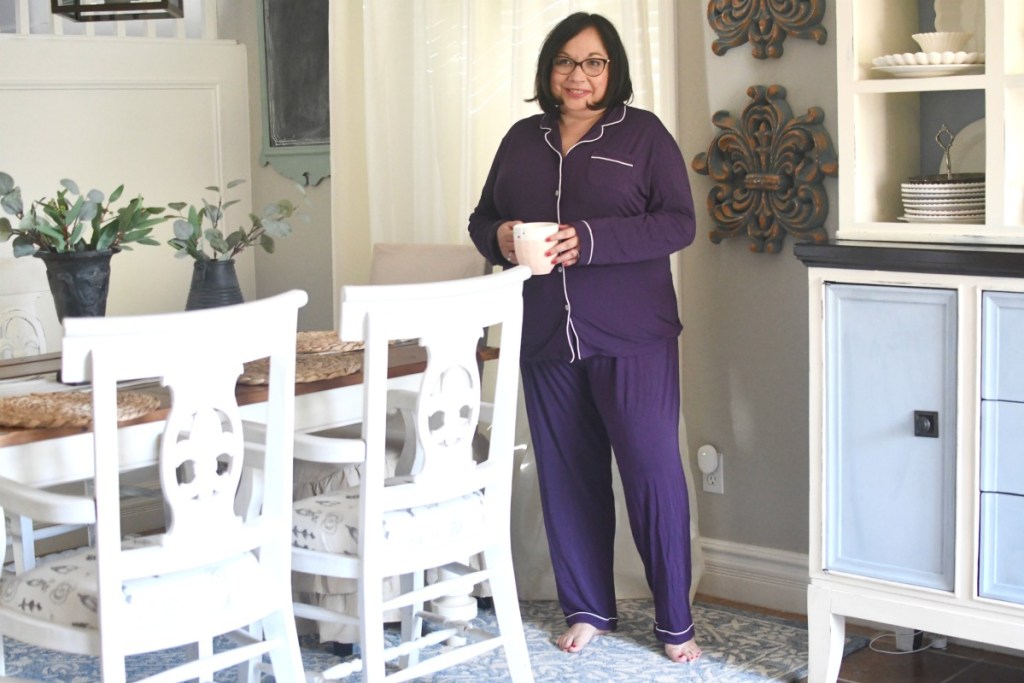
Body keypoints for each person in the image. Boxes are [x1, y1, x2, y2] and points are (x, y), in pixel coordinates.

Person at [467, 12, 701, 664]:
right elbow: (481, 219)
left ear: (612, 70)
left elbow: (679, 223)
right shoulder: (521, 139)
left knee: (652, 474)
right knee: (568, 476)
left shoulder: (644, 135)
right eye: (567, 62)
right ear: (549, 70)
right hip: (544, 334)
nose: (578, 75)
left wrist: (590, 240)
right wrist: (504, 236)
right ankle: (588, 606)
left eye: (593, 62)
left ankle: (675, 619)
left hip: (633, 334)